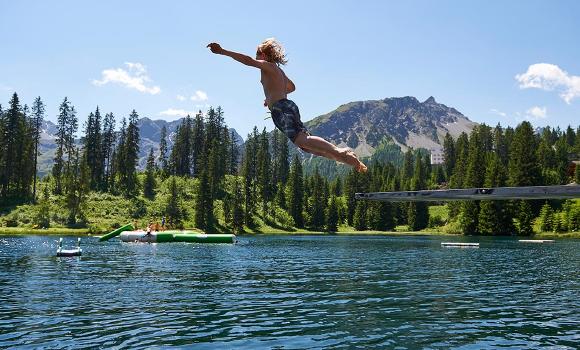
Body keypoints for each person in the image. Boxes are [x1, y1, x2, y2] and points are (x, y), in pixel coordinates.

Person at [207, 38, 367, 173]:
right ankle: (345, 158)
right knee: (306, 146)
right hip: (286, 106)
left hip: (281, 109)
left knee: (302, 140)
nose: (256, 58)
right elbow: (291, 87)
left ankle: (340, 152)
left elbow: (248, 61)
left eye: (258, 55)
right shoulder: (279, 72)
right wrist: (272, 96)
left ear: (263, 54)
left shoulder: (268, 66)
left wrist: (223, 51)